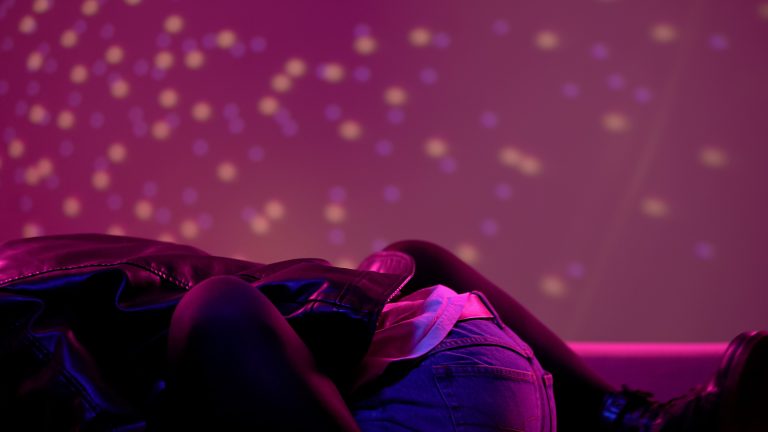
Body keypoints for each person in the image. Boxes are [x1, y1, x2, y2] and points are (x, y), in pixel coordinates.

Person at [1, 235, 766, 431]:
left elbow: (89, 406)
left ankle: (635, 420)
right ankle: (637, 420)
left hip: (423, 395)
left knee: (220, 310)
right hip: (472, 365)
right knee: (407, 260)